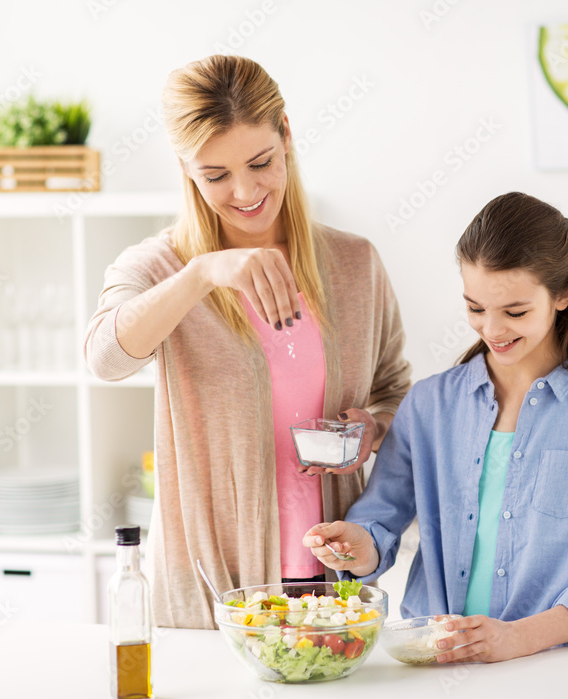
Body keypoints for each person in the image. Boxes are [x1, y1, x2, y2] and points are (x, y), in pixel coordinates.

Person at [85, 55, 411, 629]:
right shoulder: (159, 268)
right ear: (186, 169)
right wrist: (202, 274)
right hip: (213, 589)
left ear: (286, 134)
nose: (244, 191)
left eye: (260, 163)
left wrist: (373, 430)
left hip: (331, 582)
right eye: (216, 175)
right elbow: (104, 359)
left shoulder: (355, 263)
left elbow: (395, 391)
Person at [305, 192, 568, 661]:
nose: (492, 329)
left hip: (547, 668)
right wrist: (356, 548)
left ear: (563, 295)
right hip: (432, 662)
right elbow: (379, 525)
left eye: (515, 312)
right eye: (475, 308)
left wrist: (517, 638)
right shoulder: (428, 405)